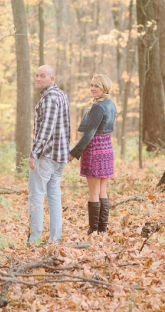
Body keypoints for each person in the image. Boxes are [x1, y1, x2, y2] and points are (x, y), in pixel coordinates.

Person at [28, 65, 70, 243]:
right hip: (59, 157)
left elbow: (46, 130)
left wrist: (34, 153)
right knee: (54, 197)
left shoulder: (50, 98)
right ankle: (54, 239)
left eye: (42, 76)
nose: (38, 78)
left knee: (36, 196)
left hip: (47, 157)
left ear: (52, 79)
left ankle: (35, 240)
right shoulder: (61, 95)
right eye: (37, 75)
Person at [69, 74, 117, 234]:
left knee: (94, 192)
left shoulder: (98, 107)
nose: (92, 88)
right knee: (102, 191)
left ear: (104, 87)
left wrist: (74, 153)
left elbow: (89, 134)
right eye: (91, 85)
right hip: (107, 148)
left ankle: (94, 230)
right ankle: (102, 229)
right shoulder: (111, 104)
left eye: (96, 86)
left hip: (95, 149)